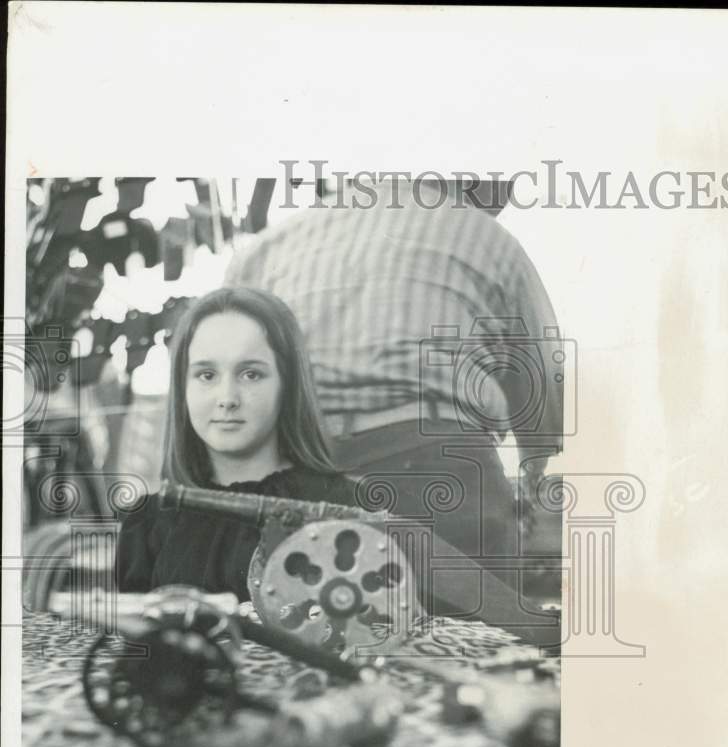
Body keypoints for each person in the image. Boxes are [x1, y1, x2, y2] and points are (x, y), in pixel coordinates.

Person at [225, 177, 563, 562]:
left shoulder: (265, 248)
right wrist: (533, 473)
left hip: (292, 472)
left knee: (277, 617)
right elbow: (543, 377)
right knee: (471, 622)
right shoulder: (485, 235)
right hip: (437, 466)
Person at [115, 287, 359, 599]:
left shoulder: (344, 508)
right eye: (206, 375)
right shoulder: (147, 525)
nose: (227, 398)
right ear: (182, 387)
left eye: (251, 374)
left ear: (288, 384)